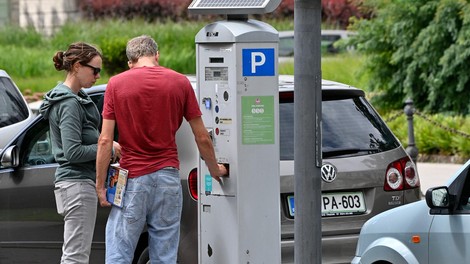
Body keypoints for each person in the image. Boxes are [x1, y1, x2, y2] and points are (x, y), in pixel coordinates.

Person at [95, 35, 227, 263]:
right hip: (167, 177)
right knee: (165, 254)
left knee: (120, 250)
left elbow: (105, 141)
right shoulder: (180, 82)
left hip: (132, 178)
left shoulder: (116, 84)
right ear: (156, 55)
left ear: (130, 61)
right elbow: (201, 135)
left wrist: (99, 185)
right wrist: (215, 168)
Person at [39, 42, 121, 264]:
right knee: (76, 256)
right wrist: (108, 148)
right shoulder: (68, 104)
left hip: (75, 184)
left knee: (75, 252)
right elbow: (73, 152)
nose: (97, 75)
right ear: (76, 66)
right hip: (76, 184)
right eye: (94, 70)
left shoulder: (76, 98)